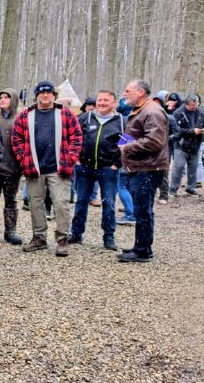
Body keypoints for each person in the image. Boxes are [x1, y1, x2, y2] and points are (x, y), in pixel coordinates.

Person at [11, 80, 82, 257]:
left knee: (61, 203)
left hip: (59, 168)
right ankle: (39, 237)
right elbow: (16, 138)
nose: (45, 95)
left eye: (49, 92)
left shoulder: (64, 113)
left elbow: (76, 136)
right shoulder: (26, 115)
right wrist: (23, 157)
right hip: (34, 167)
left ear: (53, 95)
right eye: (41, 93)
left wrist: (71, 157)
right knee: (35, 203)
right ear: (37, 95)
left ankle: (62, 239)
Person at [117, 80, 169, 263]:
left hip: (148, 168)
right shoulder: (141, 110)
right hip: (140, 167)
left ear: (140, 92)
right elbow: (138, 135)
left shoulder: (152, 111)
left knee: (143, 210)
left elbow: (155, 141)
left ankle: (143, 251)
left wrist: (128, 147)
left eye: (127, 90)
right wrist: (120, 142)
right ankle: (141, 246)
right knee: (141, 210)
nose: (124, 94)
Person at [67, 90, 124, 251]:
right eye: (100, 100)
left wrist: (116, 164)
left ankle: (109, 236)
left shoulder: (121, 121)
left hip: (108, 169)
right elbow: (72, 137)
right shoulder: (86, 118)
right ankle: (76, 234)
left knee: (109, 203)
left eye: (106, 100)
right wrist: (76, 160)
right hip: (84, 167)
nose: (102, 103)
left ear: (114, 103)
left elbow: (128, 144)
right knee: (81, 202)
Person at [0, 88, 23, 244]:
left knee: (11, 201)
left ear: (13, 100)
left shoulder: (20, 119)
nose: (2, 100)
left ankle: (10, 231)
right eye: (0, 97)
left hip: (13, 168)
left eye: (6, 97)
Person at [170, 94, 204, 196]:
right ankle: (173, 189)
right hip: (181, 145)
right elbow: (177, 130)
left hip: (196, 145)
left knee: (193, 168)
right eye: (192, 105)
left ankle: (190, 188)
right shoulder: (177, 113)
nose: (194, 107)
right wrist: (192, 131)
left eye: (196, 105)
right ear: (186, 104)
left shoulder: (201, 112)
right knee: (178, 168)